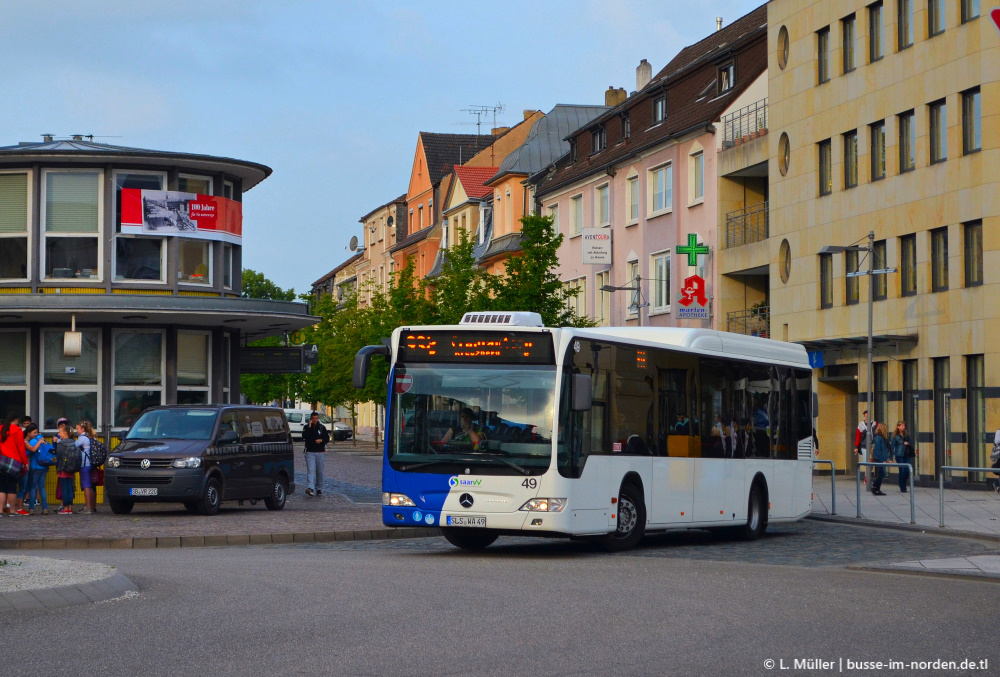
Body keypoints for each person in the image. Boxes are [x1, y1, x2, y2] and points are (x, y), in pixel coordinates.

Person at [0, 414, 27, 516]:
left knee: (1, 488)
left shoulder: (1, 429)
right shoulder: (17, 431)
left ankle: (0, 510)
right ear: (16, 420)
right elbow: (21, 448)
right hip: (14, 462)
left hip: (1, 461)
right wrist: (25, 462)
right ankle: (12, 510)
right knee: (11, 487)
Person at [23, 423, 50, 514]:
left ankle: (31, 509)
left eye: (36, 432)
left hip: (35, 467)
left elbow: (28, 453)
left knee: (33, 488)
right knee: (42, 487)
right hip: (45, 467)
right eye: (34, 432)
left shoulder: (33, 442)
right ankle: (45, 508)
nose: (35, 434)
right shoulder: (43, 440)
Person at [302, 411, 330, 497]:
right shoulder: (306, 427)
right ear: (310, 419)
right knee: (310, 471)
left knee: (319, 471)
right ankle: (310, 488)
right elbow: (305, 436)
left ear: (318, 419)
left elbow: (327, 438)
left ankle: (319, 488)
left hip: (320, 452)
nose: (315, 420)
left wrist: (321, 440)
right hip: (310, 452)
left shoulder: (322, 428)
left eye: (316, 418)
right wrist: (309, 426)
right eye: (313, 419)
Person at [55, 420, 77, 515]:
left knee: (64, 488)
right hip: (71, 468)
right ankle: (70, 508)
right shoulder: (73, 442)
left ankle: (65, 508)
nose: (59, 434)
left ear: (64, 432)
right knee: (70, 488)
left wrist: (58, 468)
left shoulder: (61, 443)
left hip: (63, 468)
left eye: (60, 432)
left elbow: (58, 456)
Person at [75, 420, 97, 514]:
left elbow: (73, 446)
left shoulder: (82, 438)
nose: (76, 431)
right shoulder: (91, 437)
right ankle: (91, 507)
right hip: (91, 464)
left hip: (84, 464)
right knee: (91, 486)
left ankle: (88, 507)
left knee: (86, 486)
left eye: (77, 429)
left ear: (83, 429)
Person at [854, 410, 876, 487]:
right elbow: (858, 436)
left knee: (872, 461)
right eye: (865, 415)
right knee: (866, 462)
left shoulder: (874, 424)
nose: (867, 417)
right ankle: (867, 478)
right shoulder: (861, 425)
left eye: (868, 415)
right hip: (864, 445)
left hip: (873, 445)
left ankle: (868, 475)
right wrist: (856, 446)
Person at [891, 421, 914, 493]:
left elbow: (911, 441)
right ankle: (902, 487)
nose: (903, 427)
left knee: (908, 470)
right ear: (898, 427)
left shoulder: (906, 434)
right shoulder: (894, 436)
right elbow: (892, 446)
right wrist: (891, 457)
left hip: (906, 454)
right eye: (902, 426)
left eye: (904, 426)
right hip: (899, 454)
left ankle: (903, 483)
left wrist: (908, 443)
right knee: (902, 471)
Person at [870, 422, 890, 496]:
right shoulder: (879, 438)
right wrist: (882, 459)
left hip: (882, 458)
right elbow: (878, 450)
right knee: (883, 473)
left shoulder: (883, 438)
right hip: (880, 458)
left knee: (881, 473)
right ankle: (875, 486)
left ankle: (877, 488)